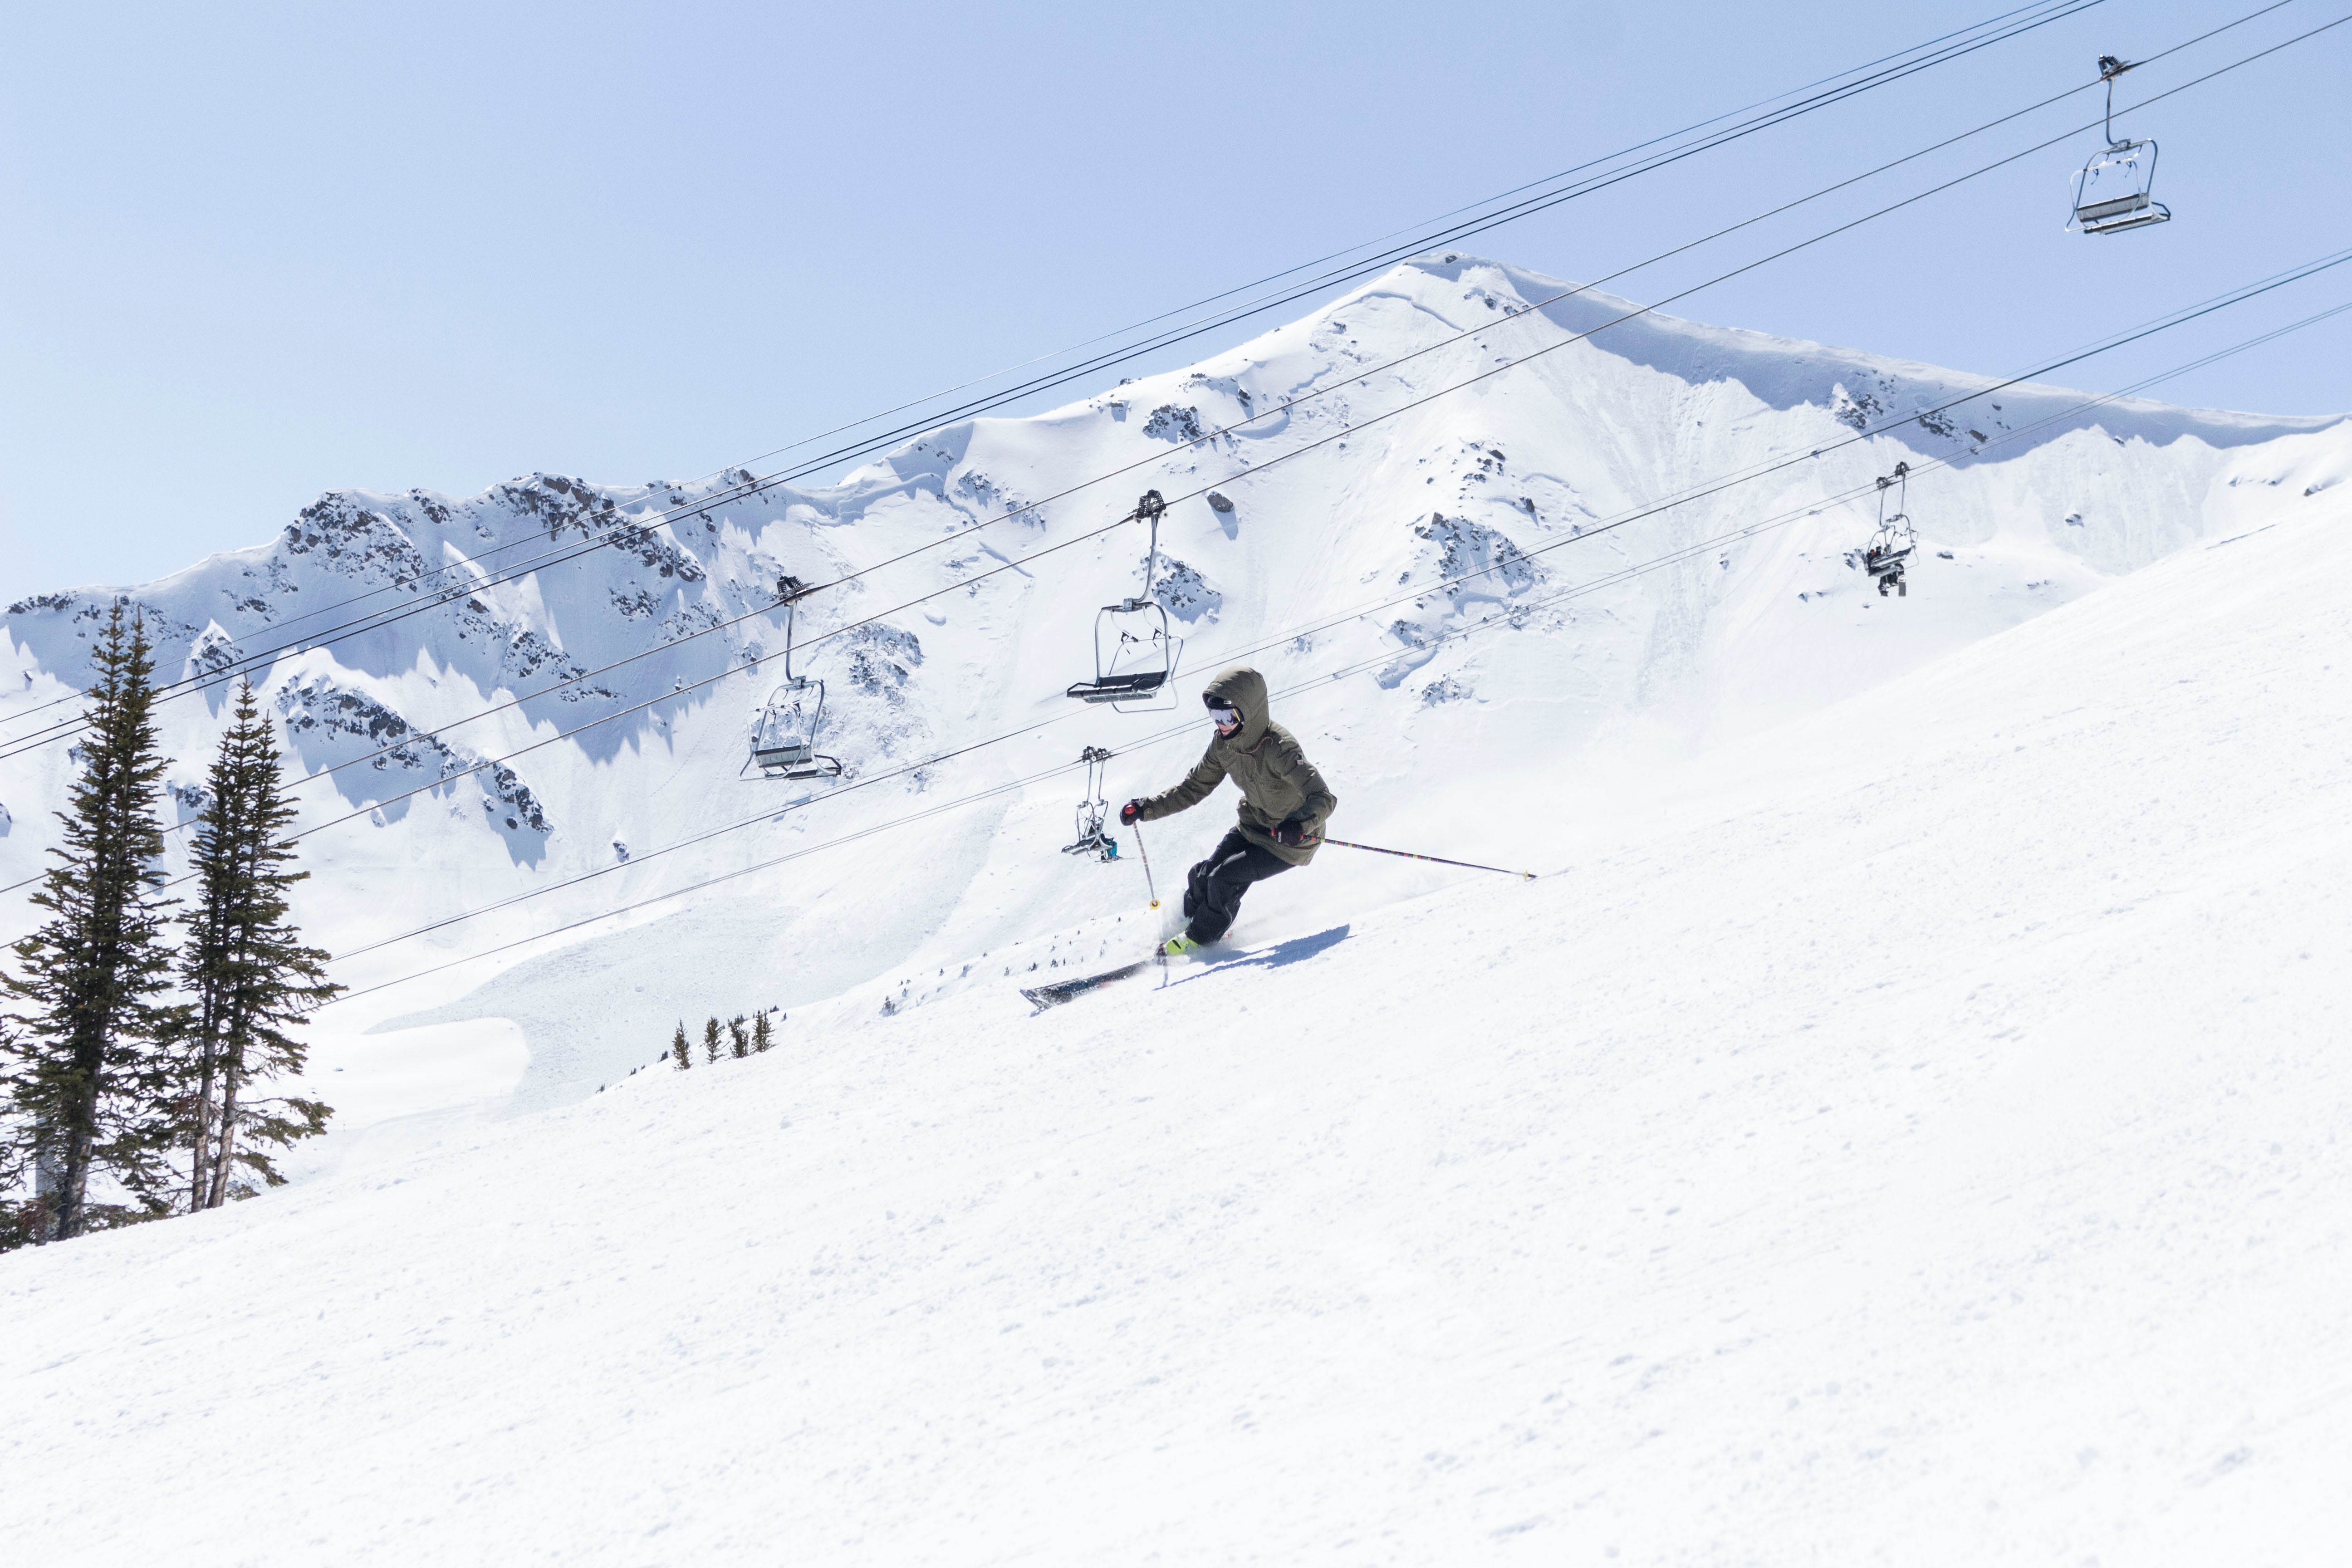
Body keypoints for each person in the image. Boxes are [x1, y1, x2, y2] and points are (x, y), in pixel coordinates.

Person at [1120, 666, 1338, 957]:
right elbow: (1193, 787)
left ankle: (1200, 940)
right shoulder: (1224, 746)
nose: (1221, 725)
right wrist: (1146, 809)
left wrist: (1298, 825)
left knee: (1224, 879)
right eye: (1215, 717)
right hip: (1253, 826)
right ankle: (1183, 924)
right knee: (1202, 876)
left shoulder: (1280, 749)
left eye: (1228, 717)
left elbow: (1323, 797)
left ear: (1250, 713)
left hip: (1290, 841)